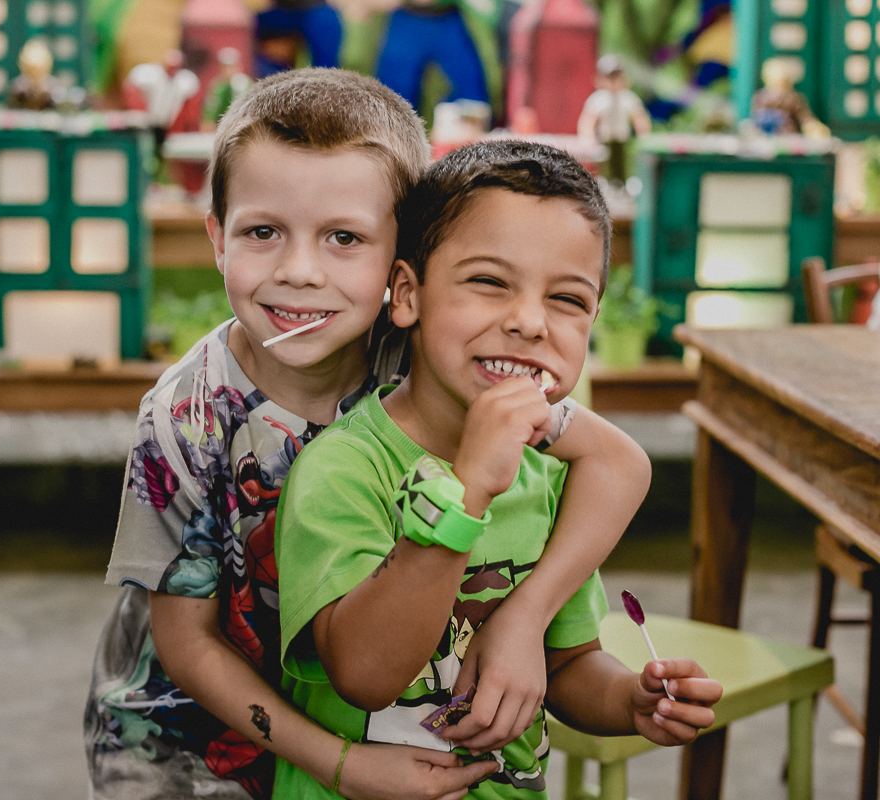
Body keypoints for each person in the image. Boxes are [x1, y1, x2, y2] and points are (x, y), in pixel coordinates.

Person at [87, 69, 651, 800]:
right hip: (186, 743)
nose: (299, 272)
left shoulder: (433, 357)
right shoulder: (185, 417)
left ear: (401, 264)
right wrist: (343, 764)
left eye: (345, 238)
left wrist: (524, 617)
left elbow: (613, 460)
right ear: (218, 237)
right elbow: (189, 646)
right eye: (262, 232)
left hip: (361, 711)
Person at [274, 140, 723, 798]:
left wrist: (629, 701)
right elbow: (365, 675)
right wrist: (470, 489)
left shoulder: (549, 479)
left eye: (568, 299)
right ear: (408, 294)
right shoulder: (344, 469)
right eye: (489, 282)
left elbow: (566, 667)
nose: (530, 322)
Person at [577, 55, 651, 189]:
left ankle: (626, 183)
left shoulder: (628, 98)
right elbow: (588, 120)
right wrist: (587, 137)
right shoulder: (598, 100)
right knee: (605, 163)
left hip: (623, 139)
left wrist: (643, 135)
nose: (613, 82)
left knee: (624, 162)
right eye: (609, 78)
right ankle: (606, 183)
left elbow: (639, 118)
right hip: (605, 139)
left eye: (616, 77)